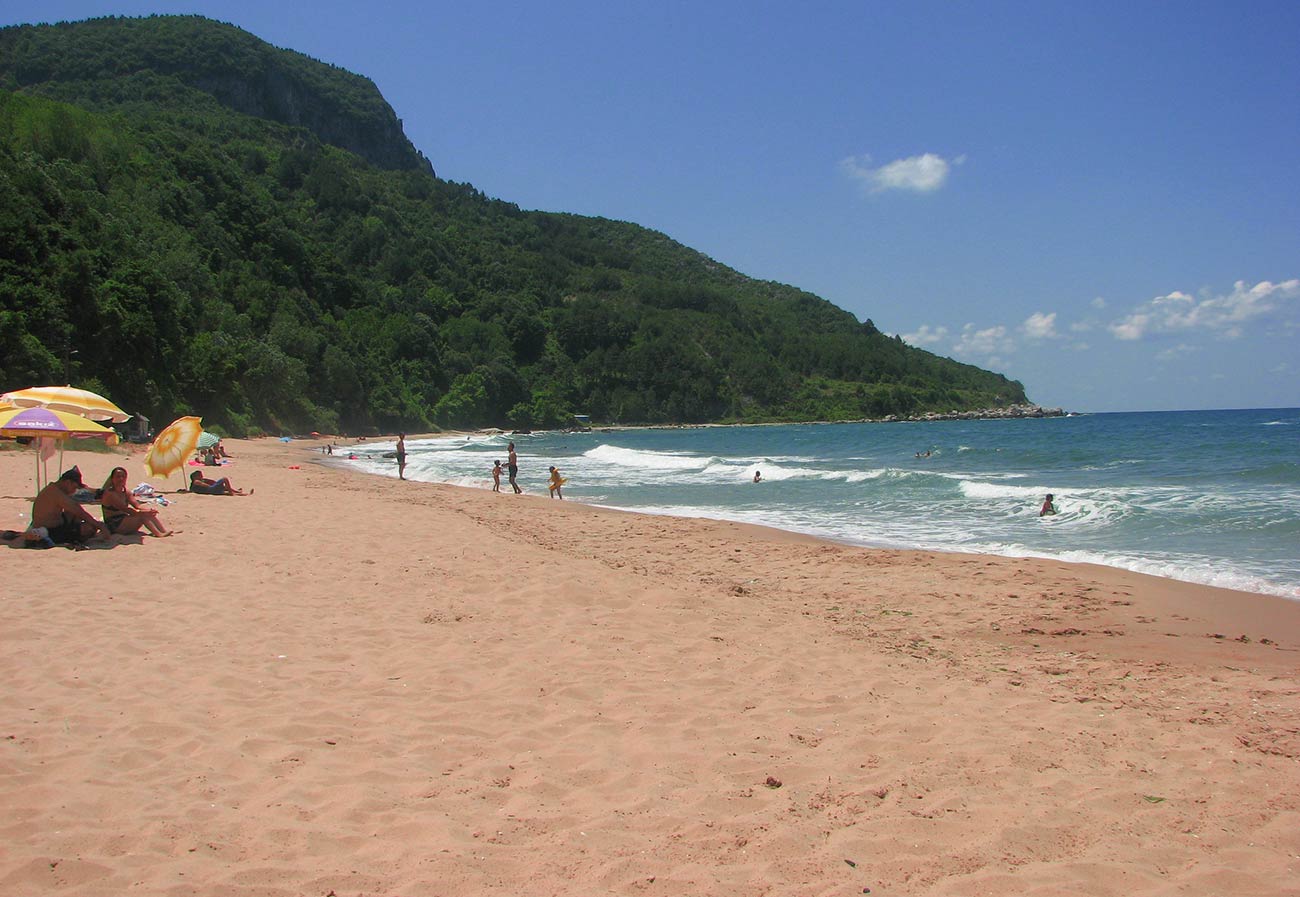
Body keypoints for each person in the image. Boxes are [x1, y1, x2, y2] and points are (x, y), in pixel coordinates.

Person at [30, 466, 106, 544]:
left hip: (53, 523)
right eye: (74, 487)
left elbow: (75, 508)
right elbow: (79, 511)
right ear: (68, 483)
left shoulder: (54, 488)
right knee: (89, 528)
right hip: (50, 530)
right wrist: (99, 525)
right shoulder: (56, 493)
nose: (74, 490)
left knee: (75, 515)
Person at [100, 467, 174, 537]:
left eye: (123, 476)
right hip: (113, 524)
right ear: (112, 479)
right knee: (142, 516)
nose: (121, 479)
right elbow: (126, 509)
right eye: (118, 477)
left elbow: (137, 506)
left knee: (148, 514)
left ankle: (163, 531)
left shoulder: (126, 492)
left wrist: (149, 510)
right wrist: (143, 513)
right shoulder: (110, 494)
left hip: (123, 520)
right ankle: (158, 534)